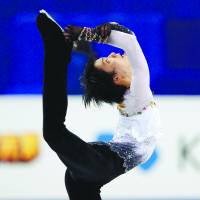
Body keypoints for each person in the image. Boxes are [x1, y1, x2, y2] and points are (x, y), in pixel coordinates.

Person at [37, 10, 161, 200]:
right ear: (117, 78)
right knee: (53, 132)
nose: (112, 53)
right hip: (101, 163)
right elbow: (130, 41)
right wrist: (88, 33)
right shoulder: (138, 89)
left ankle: (60, 52)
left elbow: (125, 38)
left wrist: (90, 36)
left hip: (96, 165)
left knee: (54, 134)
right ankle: (58, 52)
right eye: (108, 60)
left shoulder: (133, 93)